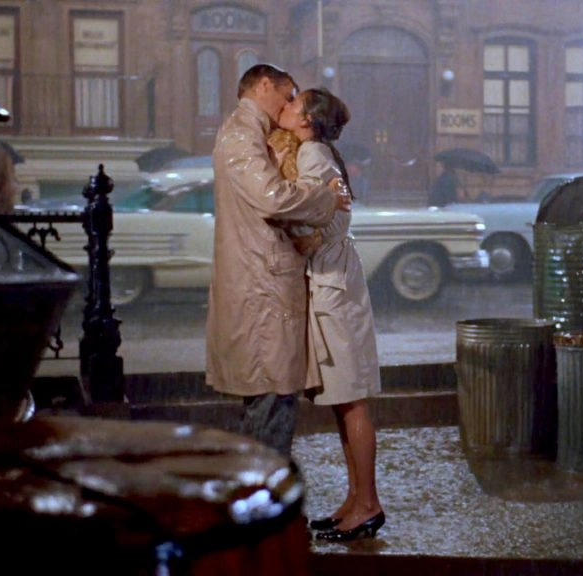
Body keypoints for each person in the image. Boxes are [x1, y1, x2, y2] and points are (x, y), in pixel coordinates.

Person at [205, 64, 349, 458]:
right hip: (261, 286)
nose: (288, 106)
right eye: (287, 96)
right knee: (271, 401)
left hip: (264, 283)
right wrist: (326, 198)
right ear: (265, 85)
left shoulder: (251, 133)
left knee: (271, 399)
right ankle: (265, 492)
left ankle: (264, 488)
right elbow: (272, 198)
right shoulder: (241, 134)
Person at [273, 87, 386, 542]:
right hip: (336, 278)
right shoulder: (320, 152)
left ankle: (369, 504)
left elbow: (306, 212)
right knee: (344, 400)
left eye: (294, 104)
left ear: (307, 120)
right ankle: (355, 499)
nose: (285, 107)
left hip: (333, 283)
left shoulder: (313, 154)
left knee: (352, 399)